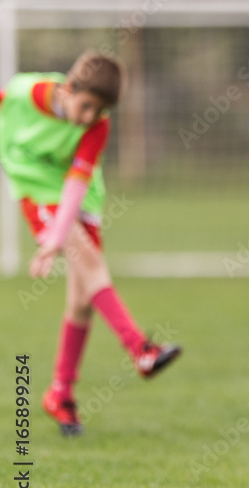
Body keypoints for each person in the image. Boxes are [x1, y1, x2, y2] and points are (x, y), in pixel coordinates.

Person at [0, 51, 181, 436]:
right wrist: (53, 240)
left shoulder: (98, 126)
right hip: (36, 190)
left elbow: (76, 185)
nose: (87, 118)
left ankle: (60, 394)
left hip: (79, 199)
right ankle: (140, 349)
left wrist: (55, 240)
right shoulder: (18, 94)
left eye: (97, 112)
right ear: (69, 87)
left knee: (82, 295)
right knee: (90, 266)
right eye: (84, 106)